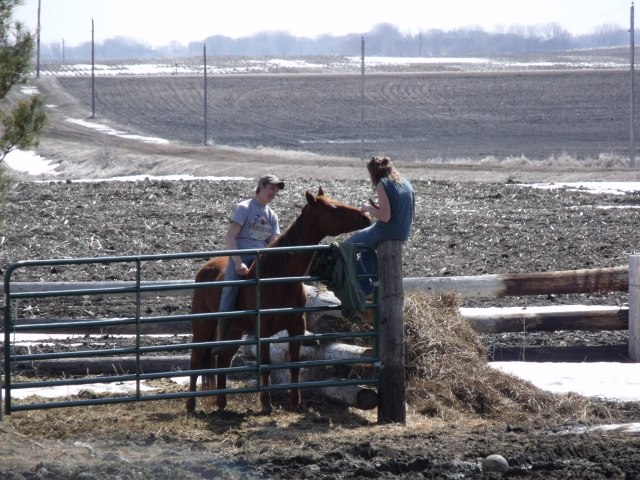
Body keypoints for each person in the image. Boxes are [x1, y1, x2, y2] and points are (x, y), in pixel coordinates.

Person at [218, 174, 285, 322]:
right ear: (261, 186)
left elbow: (273, 242)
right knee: (230, 290)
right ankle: (223, 327)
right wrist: (237, 262)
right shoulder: (244, 208)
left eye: (276, 190)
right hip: (242, 255)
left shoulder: (272, 216)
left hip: (261, 257)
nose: (274, 192)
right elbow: (229, 237)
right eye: (272, 188)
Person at [344, 156, 415, 295]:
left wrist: (368, 208)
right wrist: (381, 208)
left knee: (346, 249)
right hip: (403, 231)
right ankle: (374, 287)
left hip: (386, 231)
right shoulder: (406, 182)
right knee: (365, 252)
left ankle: (366, 290)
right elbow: (412, 213)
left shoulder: (382, 184)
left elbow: (385, 217)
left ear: (373, 172)